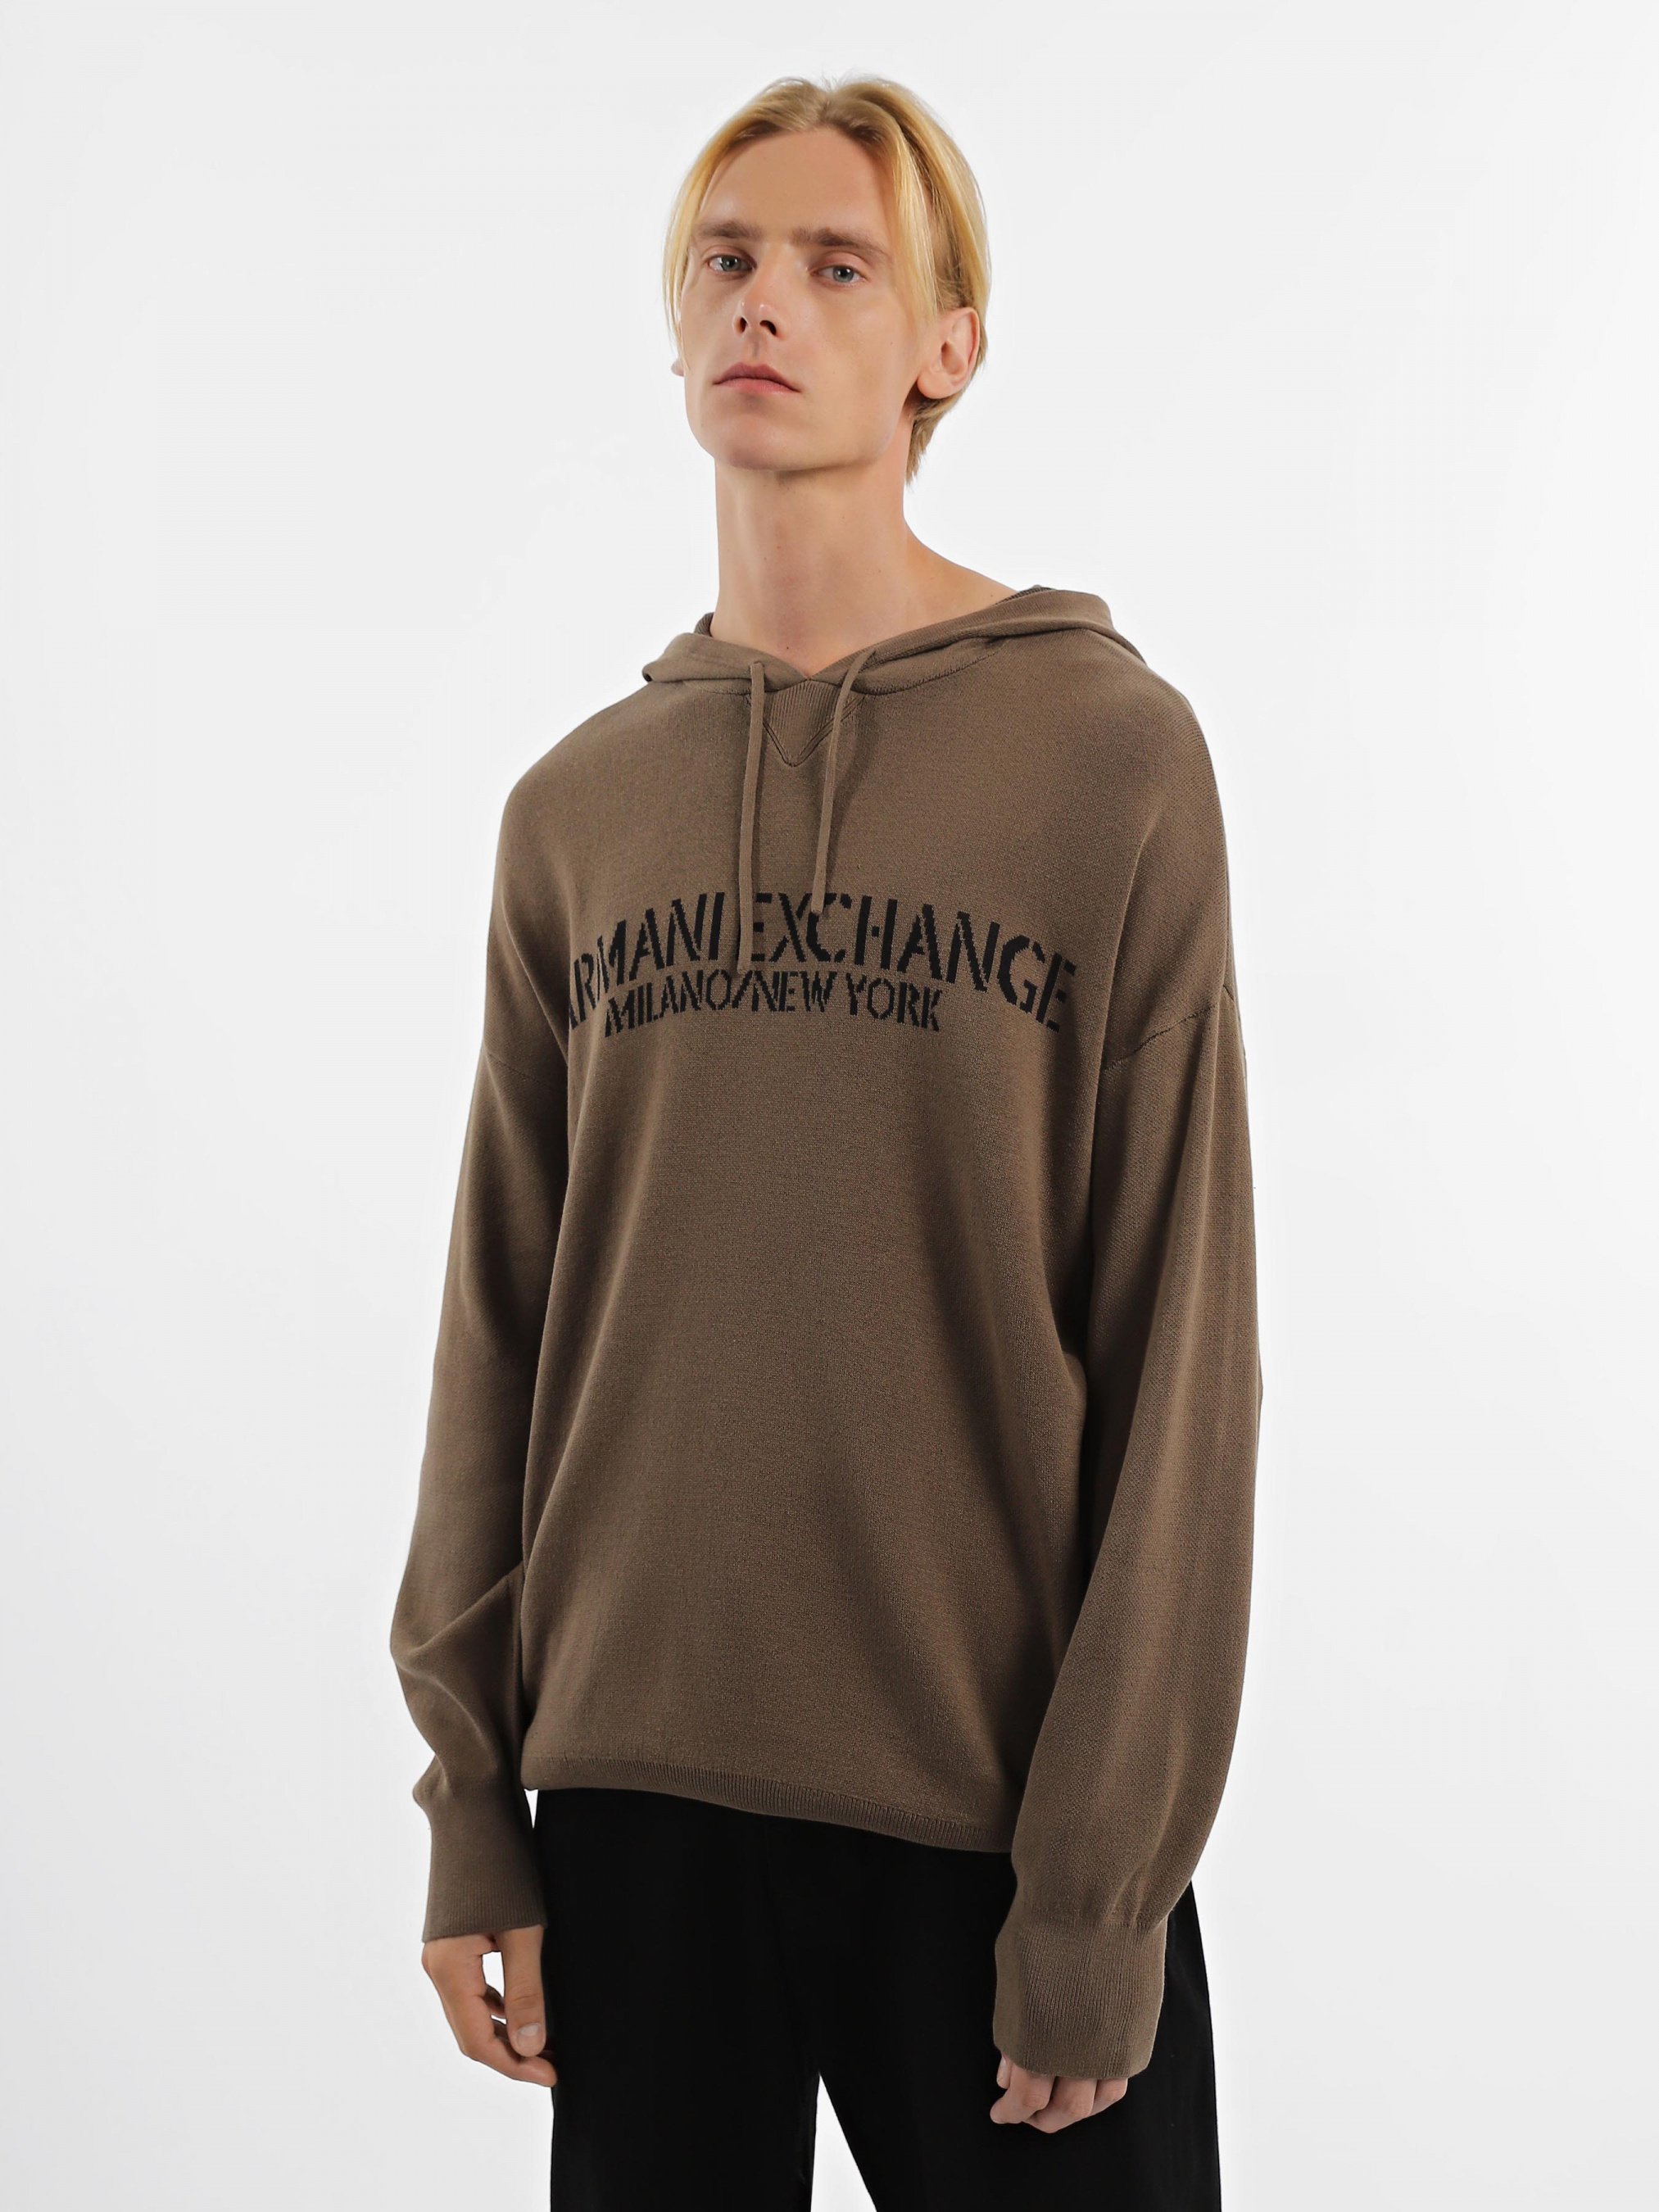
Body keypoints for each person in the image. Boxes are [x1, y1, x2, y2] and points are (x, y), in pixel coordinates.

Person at [389, 70, 1261, 2211]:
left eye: (836, 264)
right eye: (726, 257)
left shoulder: (1109, 762)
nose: (762, 302)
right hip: (630, 1805)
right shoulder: (578, 813)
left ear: (947, 343)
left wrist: (1101, 1881)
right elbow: (500, 1323)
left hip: (990, 1816)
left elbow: (1181, 1356)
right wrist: (474, 1798)